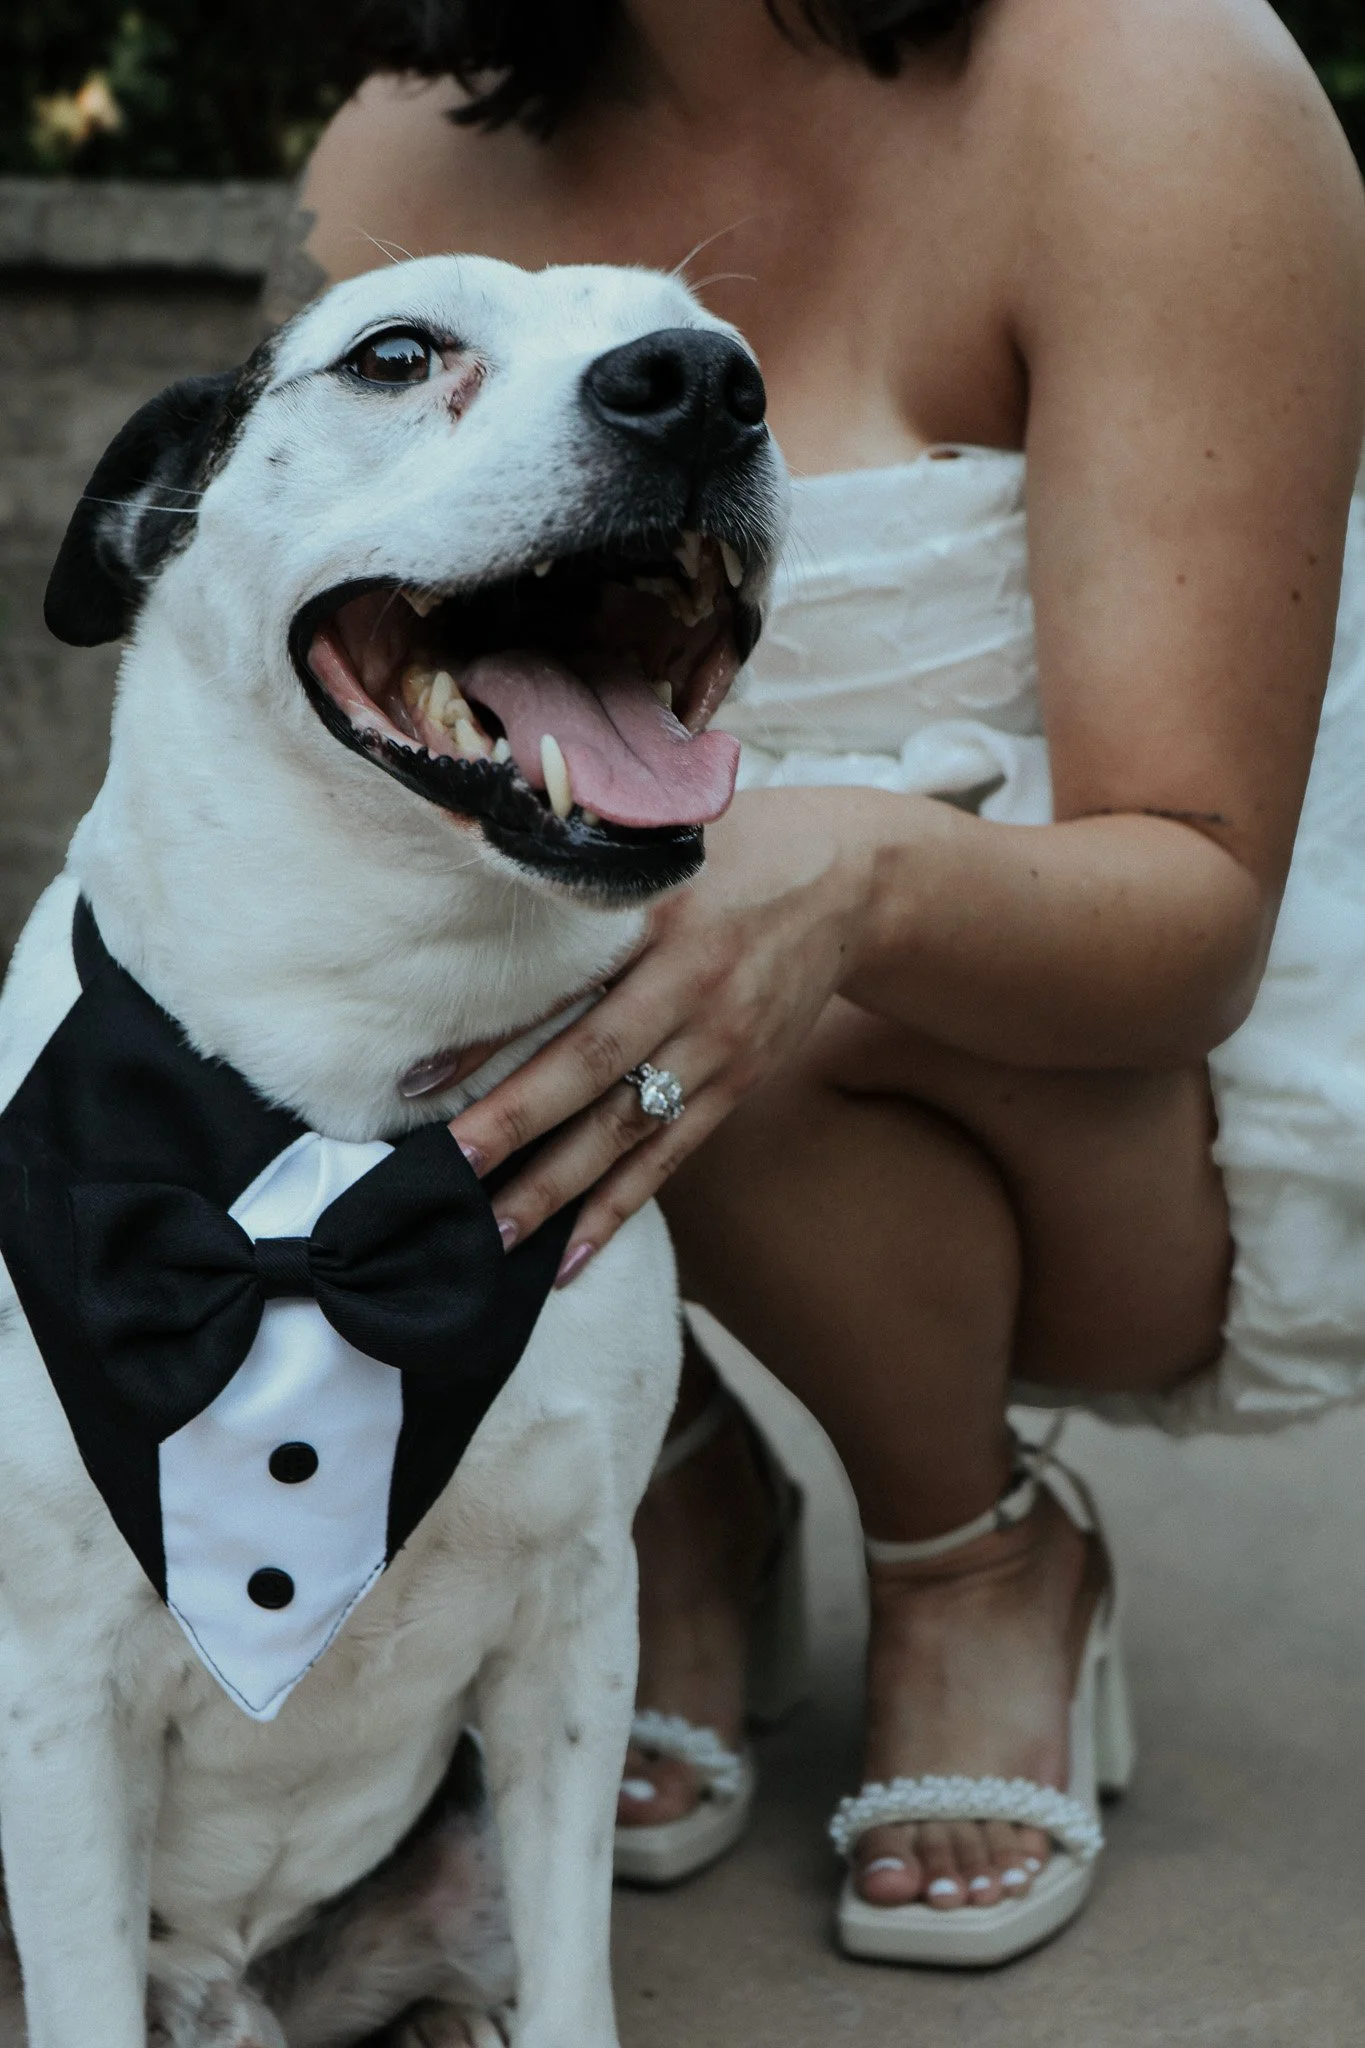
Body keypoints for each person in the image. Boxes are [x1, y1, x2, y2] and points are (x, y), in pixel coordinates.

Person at [276, 0, 1365, 1965]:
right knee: (326, 916)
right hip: (607, 1063)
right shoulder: (397, 163)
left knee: (683, 930)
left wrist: (851, 873)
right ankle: (675, 1493)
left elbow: (1194, 911)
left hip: (1099, 1117)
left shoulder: (1151, 83)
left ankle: (974, 1553)